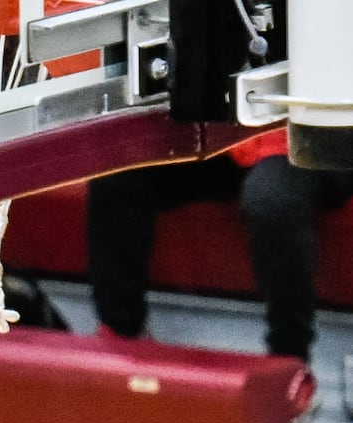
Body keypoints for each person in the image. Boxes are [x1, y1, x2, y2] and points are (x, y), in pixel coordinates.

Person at [86, 130, 353, 406]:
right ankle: (123, 337)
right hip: (229, 137)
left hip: (314, 138)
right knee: (118, 172)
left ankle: (290, 363)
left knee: (271, 198)